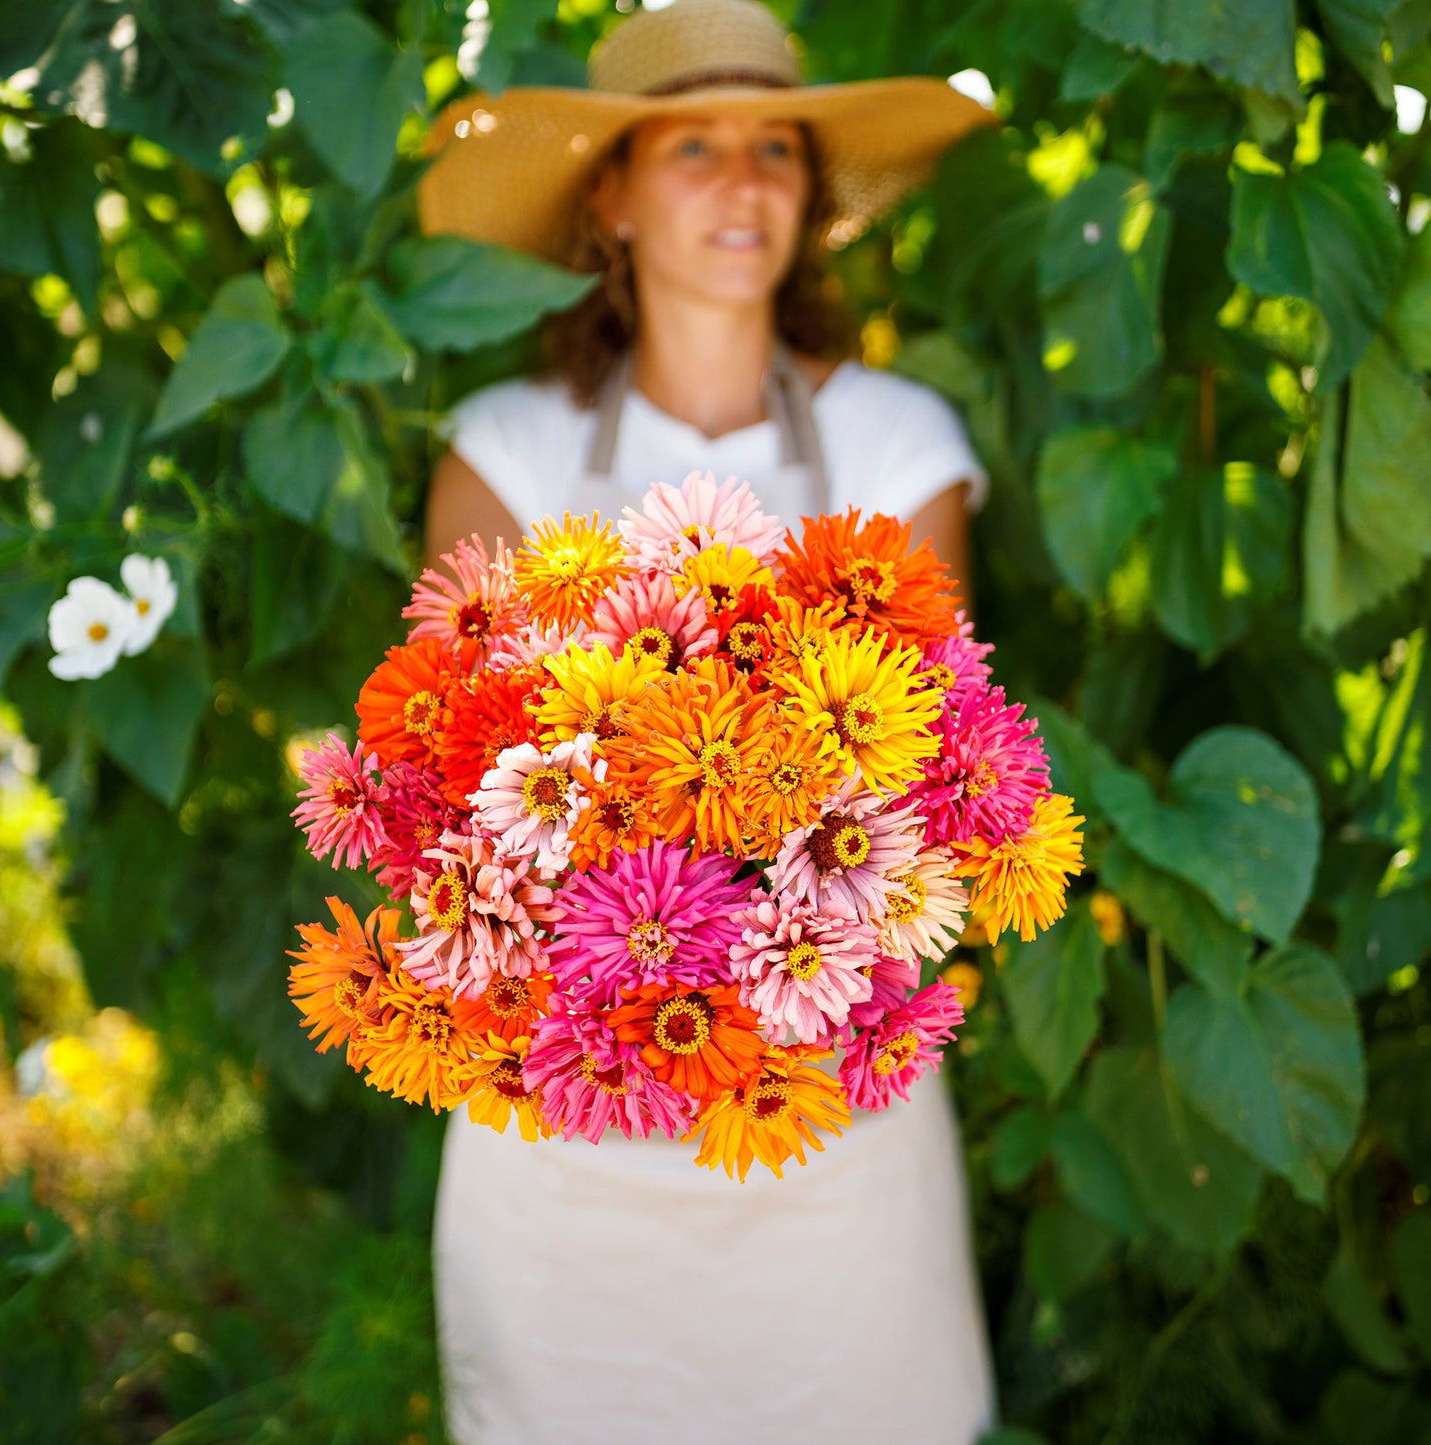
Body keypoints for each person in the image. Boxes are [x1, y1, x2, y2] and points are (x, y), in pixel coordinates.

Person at [416, 3, 997, 1440]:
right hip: (564, 1105)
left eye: (773, 150)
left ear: (809, 191)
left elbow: (911, 772)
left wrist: (627, 752)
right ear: (607, 196)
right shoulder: (506, 448)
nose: (743, 185)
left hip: (828, 1099)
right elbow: (461, 779)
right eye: (692, 148)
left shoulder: (896, 441)